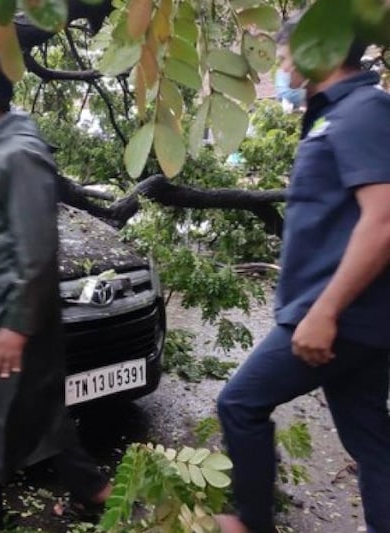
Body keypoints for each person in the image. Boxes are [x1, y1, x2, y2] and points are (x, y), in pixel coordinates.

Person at [215, 17, 390, 533]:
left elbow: (382, 221)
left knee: (240, 404)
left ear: (325, 48)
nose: (284, 68)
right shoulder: (332, 116)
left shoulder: (364, 111)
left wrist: (325, 312)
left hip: (336, 316)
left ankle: (251, 523)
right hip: (348, 317)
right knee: (371, 441)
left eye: (287, 55)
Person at [0, 57, 110, 533]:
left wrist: (14, 326)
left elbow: (37, 249)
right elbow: (1, 227)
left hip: (3, 318)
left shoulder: (20, 154)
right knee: (36, 413)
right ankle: (95, 494)